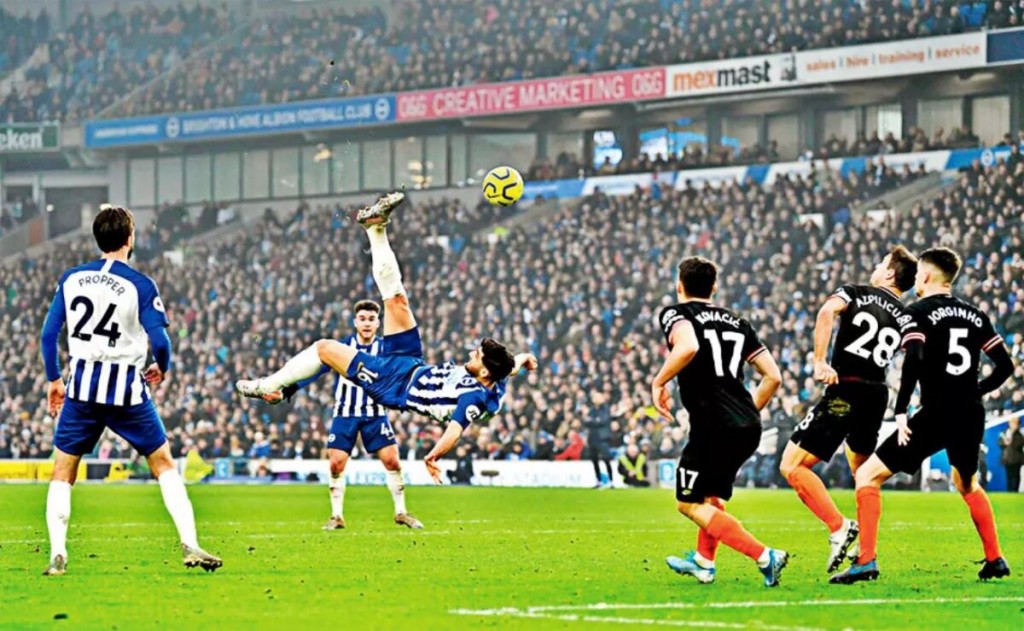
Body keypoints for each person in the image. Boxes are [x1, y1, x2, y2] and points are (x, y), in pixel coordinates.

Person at [235, 192, 538, 483]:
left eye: (476, 356)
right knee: (396, 300)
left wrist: (433, 456)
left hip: (393, 384)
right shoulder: (496, 376)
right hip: (412, 362)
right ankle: (375, 228)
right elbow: (509, 367)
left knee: (324, 348)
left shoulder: (474, 398)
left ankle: (267, 385)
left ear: (484, 372)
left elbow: (455, 429)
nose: (471, 354)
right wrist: (524, 359)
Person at [39, 205, 221, 576]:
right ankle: (190, 543)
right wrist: (162, 366)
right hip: (126, 390)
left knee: (63, 472)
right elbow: (161, 341)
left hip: (82, 390)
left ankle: (58, 553)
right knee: (164, 464)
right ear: (130, 238)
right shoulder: (140, 285)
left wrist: (54, 379)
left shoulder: (72, 278)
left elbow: (48, 334)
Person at [832, 248, 1015, 584]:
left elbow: (914, 357)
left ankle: (866, 561)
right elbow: (1005, 366)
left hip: (937, 412)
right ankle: (995, 559)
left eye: (918, 275)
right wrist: (976, 390)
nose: (915, 280)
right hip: (970, 412)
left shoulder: (917, 311)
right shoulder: (976, 315)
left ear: (926, 276)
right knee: (967, 484)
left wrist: (902, 409)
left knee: (867, 476)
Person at [778, 246, 917, 573]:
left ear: (889, 273)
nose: (876, 266)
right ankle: (867, 556)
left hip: (847, 388)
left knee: (792, 466)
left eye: (881, 262)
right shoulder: (906, 316)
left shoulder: (857, 292)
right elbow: (916, 354)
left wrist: (819, 360)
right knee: (865, 476)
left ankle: (839, 527)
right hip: (877, 394)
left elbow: (826, 312)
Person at [653, 256, 788, 587]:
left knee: (688, 503)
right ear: (714, 287)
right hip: (747, 425)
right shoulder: (738, 322)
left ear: (679, 286)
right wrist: (745, 414)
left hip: (712, 426)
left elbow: (688, 346)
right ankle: (704, 563)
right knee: (711, 497)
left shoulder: (677, 313)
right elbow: (773, 376)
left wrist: (659, 382)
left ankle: (764, 555)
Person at [264, 300, 423, 530]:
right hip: (345, 413)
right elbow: (315, 371)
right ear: (355, 322)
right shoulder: (343, 347)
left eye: (371, 319)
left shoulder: (386, 350)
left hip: (375, 413)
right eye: (362, 319)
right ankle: (336, 516)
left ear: (378, 323)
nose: (367, 323)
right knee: (336, 464)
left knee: (392, 461)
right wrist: (287, 390)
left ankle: (401, 512)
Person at [998, 416, 1023, 492]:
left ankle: (1015, 491)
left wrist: (1010, 439)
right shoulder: (1005, 432)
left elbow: (1018, 444)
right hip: (1007, 459)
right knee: (1009, 476)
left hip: (1016, 459)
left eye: (1015, 423)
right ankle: (1010, 491)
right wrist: (1004, 442)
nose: (1013, 424)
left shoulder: (1019, 434)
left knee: (1015, 476)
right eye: (1012, 423)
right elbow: (1000, 443)